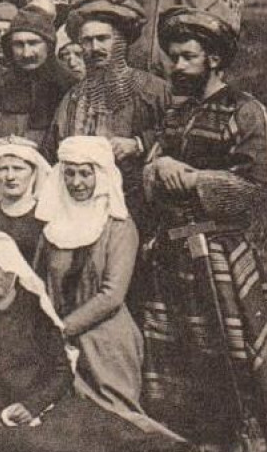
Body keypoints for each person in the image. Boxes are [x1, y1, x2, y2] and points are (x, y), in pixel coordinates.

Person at [140, 8, 267, 452]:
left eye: (188, 57)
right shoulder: (175, 110)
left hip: (220, 247)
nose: (178, 66)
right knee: (190, 343)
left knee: (242, 342)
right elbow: (151, 167)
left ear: (214, 59)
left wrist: (191, 178)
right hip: (172, 247)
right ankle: (217, 435)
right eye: (173, 57)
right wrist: (154, 170)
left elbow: (260, 186)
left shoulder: (245, 110)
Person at [0, 233, 181, 452]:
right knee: (38, 446)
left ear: (12, 268)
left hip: (42, 407)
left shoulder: (33, 306)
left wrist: (33, 406)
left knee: (101, 428)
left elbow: (61, 370)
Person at [35, 137, 176, 436]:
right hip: (56, 337)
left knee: (117, 423)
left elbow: (111, 296)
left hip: (106, 337)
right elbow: (40, 283)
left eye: (85, 173)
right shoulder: (51, 227)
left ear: (101, 176)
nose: (76, 182)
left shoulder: (119, 227)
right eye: (69, 173)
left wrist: (63, 328)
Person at [50, 0, 169, 226]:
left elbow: (180, 136)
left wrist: (139, 143)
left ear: (121, 41)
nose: (95, 48)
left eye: (103, 39)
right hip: (83, 204)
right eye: (87, 41)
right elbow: (54, 147)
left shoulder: (154, 90)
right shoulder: (73, 98)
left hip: (140, 204)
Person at [0, 9, 65, 156]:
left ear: (49, 45)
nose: (26, 53)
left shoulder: (68, 88)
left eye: (33, 43)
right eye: (18, 44)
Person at [0, 136, 51, 258]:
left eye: (18, 169)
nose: (10, 176)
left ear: (34, 173)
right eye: (3, 169)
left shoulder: (44, 216)